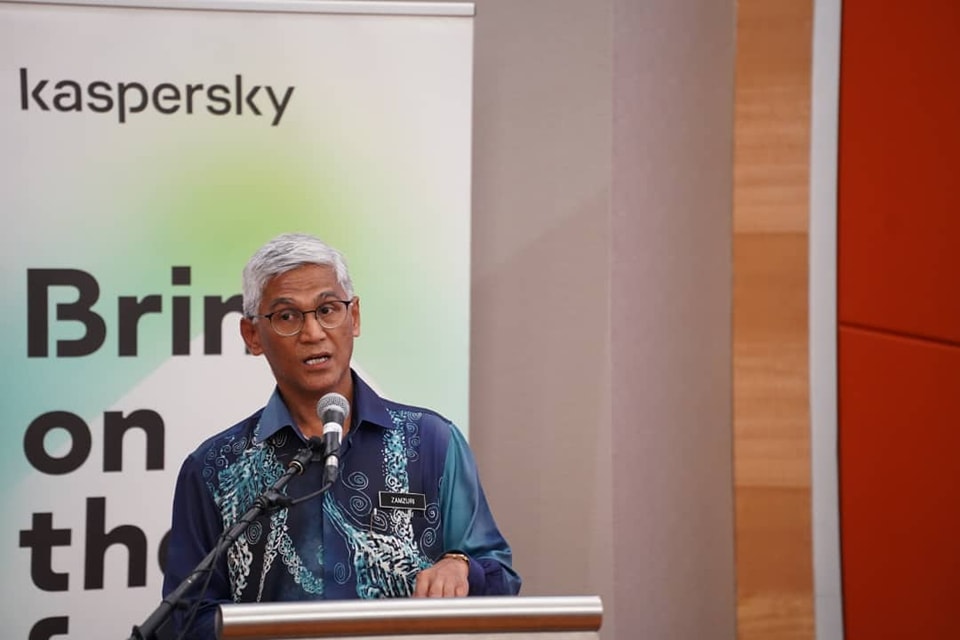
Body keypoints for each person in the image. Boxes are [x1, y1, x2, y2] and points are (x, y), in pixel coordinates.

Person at [161, 233, 520, 638]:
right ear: (252, 336)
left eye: (328, 309)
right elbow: (185, 619)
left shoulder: (432, 443)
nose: (313, 332)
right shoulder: (216, 468)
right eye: (287, 316)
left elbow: (501, 579)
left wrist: (460, 566)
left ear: (355, 317)